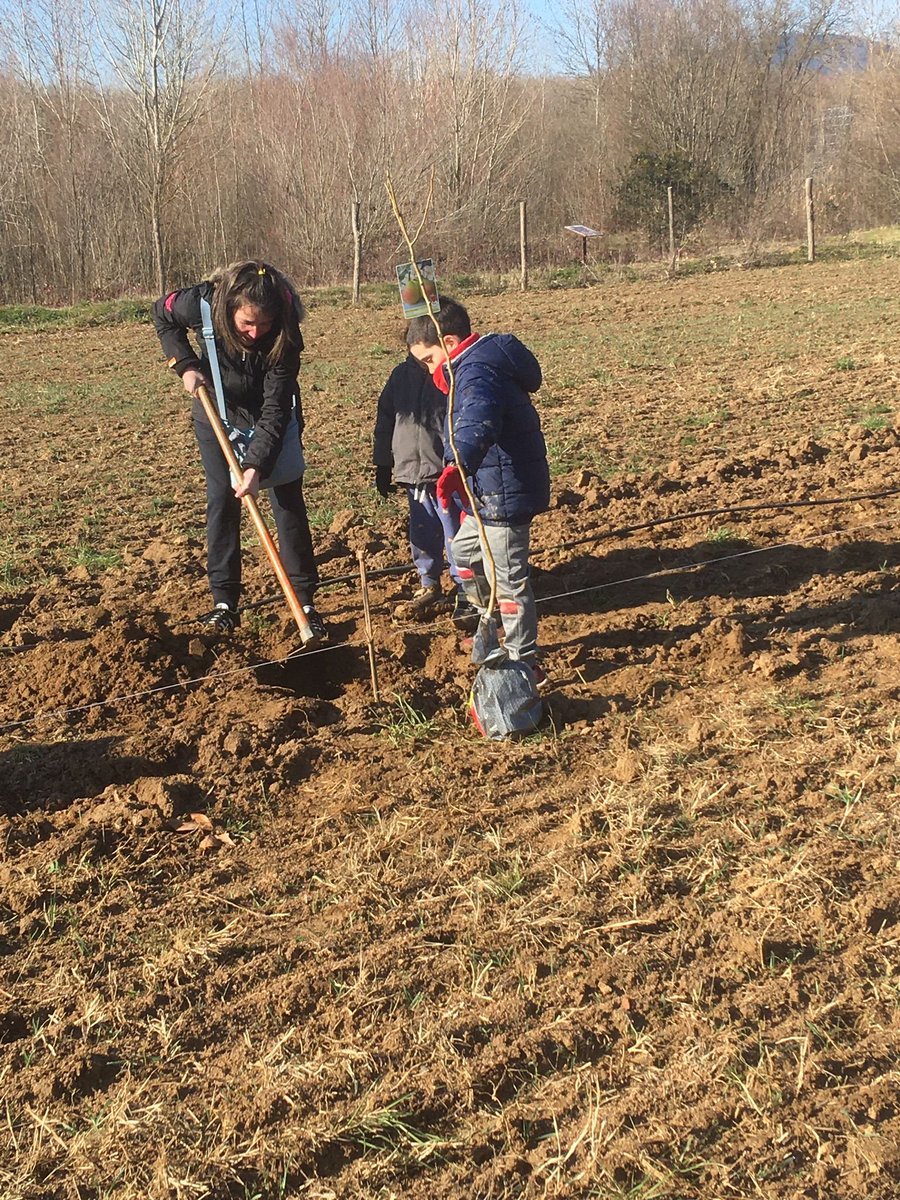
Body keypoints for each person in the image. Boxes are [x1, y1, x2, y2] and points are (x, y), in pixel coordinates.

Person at [152, 260, 326, 639]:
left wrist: (255, 467)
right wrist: (185, 364)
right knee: (222, 501)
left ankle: (305, 603)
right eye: (247, 322)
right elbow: (161, 313)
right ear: (229, 307)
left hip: (272, 415)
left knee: (287, 502)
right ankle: (224, 603)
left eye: (264, 324)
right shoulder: (201, 303)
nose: (255, 332)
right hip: (216, 411)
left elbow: (275, 408)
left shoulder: (286, 333)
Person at [406, 297, 550, 687]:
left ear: (450, 343)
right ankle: (493, 619)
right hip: (486, 491)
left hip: (504, 492)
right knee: (465, 552)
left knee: (510, 580)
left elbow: (477, 419)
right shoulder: (472, 365)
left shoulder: (476, 372)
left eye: (429, 359)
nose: (429, 370)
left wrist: (458, 464)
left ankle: (524, 662)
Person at [372, 354, 479, 631]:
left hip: (446, 474)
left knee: (455, 533)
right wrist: (383, 462)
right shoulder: (400, 376)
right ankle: (429, 583)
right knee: (422, 533)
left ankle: (466, 587)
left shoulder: (451, 375)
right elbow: (385, 419)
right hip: (413, 474)